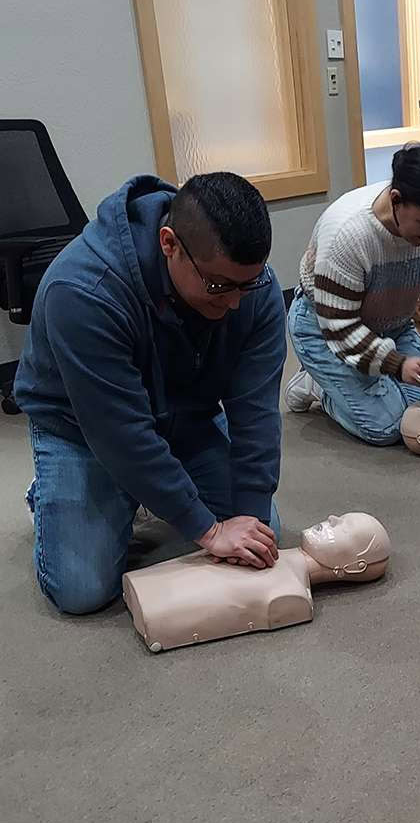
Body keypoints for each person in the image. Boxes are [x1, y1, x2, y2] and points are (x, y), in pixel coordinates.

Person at [15, 173, 287, 615]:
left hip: (187, 415)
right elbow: (120, 431)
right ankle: (48, 490)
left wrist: (250, 517)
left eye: (246, 285)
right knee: (82, 591)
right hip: (82, 428)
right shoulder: (84, 291)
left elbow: (255, 412)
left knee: (262, 532)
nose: (235, 302)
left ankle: (138, 490)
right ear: (169, 244)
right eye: (219, 286)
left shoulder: (254, 287)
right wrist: (209, 531)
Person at [285, 144, 420, 445]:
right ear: (396, 200)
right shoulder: (348, 235)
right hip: (325, 331)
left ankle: (365, 376)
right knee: (385, 427)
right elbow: (341, 328)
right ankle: (317, 386)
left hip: (393, 325)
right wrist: (397, 365)